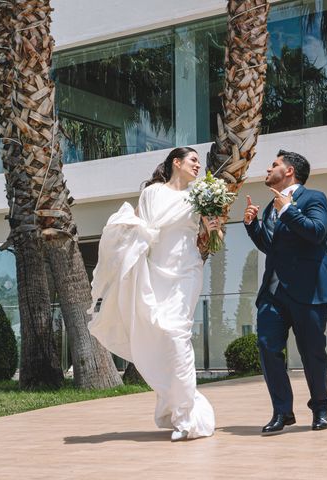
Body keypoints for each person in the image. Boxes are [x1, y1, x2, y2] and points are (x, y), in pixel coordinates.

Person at [88, 147, 219, 441]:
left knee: (176, 334)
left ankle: (186, 419)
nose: (198, 165)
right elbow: (142, 228)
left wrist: (212, 228)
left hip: (186, 270)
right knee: (156, 334)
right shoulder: (152, 193)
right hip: (155, 271)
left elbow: (210, 237)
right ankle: (172, 404)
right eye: (193, 160)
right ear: (177, 162)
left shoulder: (201, 195)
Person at [243, 149, 327, 434]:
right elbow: (272, 246)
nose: (267, 169)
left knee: (312, 353)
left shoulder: (313, 198)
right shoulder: (271, 205)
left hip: (308, 291)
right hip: (273, 292)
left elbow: (317, 232)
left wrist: (287, 209)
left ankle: (320, 409)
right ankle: (282, 412)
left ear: (289, 171)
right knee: (267, 347)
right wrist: (253, 225)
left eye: (273, 165)